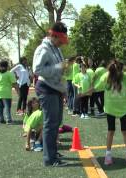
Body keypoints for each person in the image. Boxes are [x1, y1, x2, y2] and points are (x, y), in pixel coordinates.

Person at [33, 22, 70, 167]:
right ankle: (50, 159)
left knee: (56, 123)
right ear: (53, 36)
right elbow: (37, 69)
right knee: (51, 124)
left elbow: (58, 71)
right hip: (46, 88)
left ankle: (53, 153)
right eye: (60, 40)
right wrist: (59, 66)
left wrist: (64, 90)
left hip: (56, 89)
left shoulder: (56, 49)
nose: (62, 43)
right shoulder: (43, 49)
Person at [0, 60, 19, 124]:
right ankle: (8, 120)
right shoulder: (9, 73)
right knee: (7, 106)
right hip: (6, 92)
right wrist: (18, 92)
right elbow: (14, 84)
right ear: (7, 66)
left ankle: (1, 120)